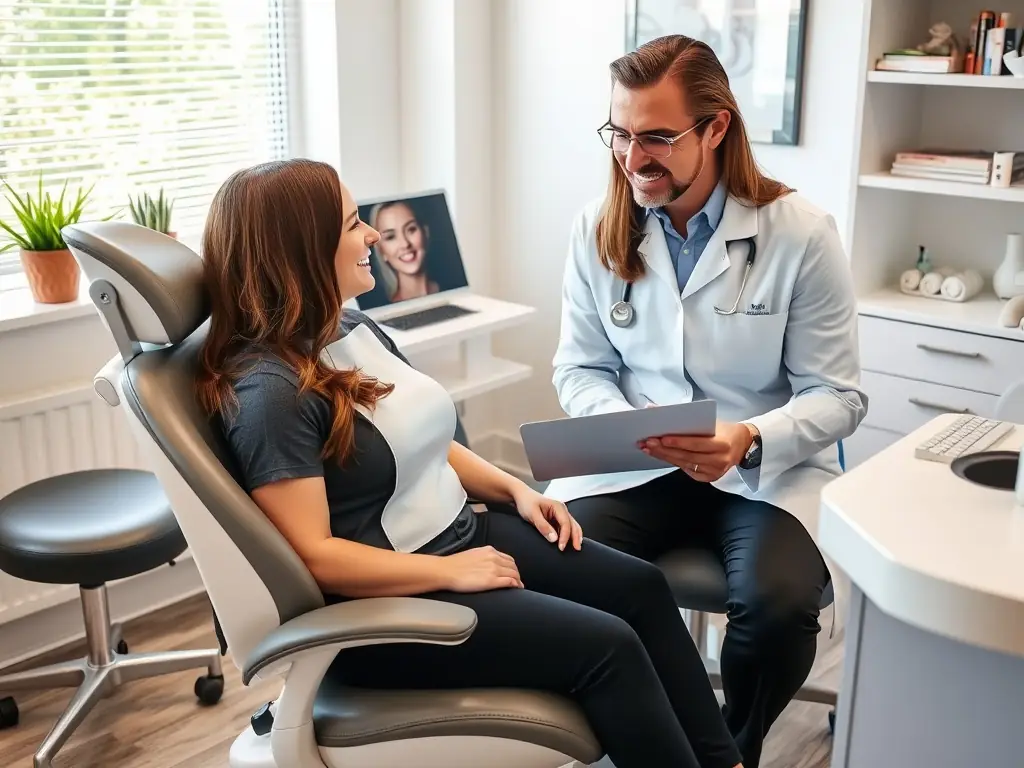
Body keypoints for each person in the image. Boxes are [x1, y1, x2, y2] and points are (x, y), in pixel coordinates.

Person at [195, 158, 744, 768]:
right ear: (301, 250)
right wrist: (450, 573)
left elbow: (428, 439)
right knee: (609, 647)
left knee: (641, 588)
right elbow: (315, 555)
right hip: (389, 608)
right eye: (353, 224)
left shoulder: (348, 326)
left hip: (458, 536)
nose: (372, 235)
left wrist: (518, 491)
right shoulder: (270, 393)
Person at [546, 35, 867, 768]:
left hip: (764, 475)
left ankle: (732, 749)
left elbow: (838, 396)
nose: (633, 158)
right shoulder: (598, 226)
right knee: (563, 571)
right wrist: (624, 425)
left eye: (657, 138)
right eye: (620, 134)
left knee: (778, 609)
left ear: (716, 127)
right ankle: (662, 744)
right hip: (633, 466)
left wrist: (748, 437)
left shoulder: (801, 234)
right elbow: (580, 368)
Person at [368, 200, 439, 301]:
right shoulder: (383, 309)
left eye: (411, 229)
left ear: (425, 233)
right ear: (381, 251)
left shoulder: (455, 291)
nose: (405, 244)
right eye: (391, 237)